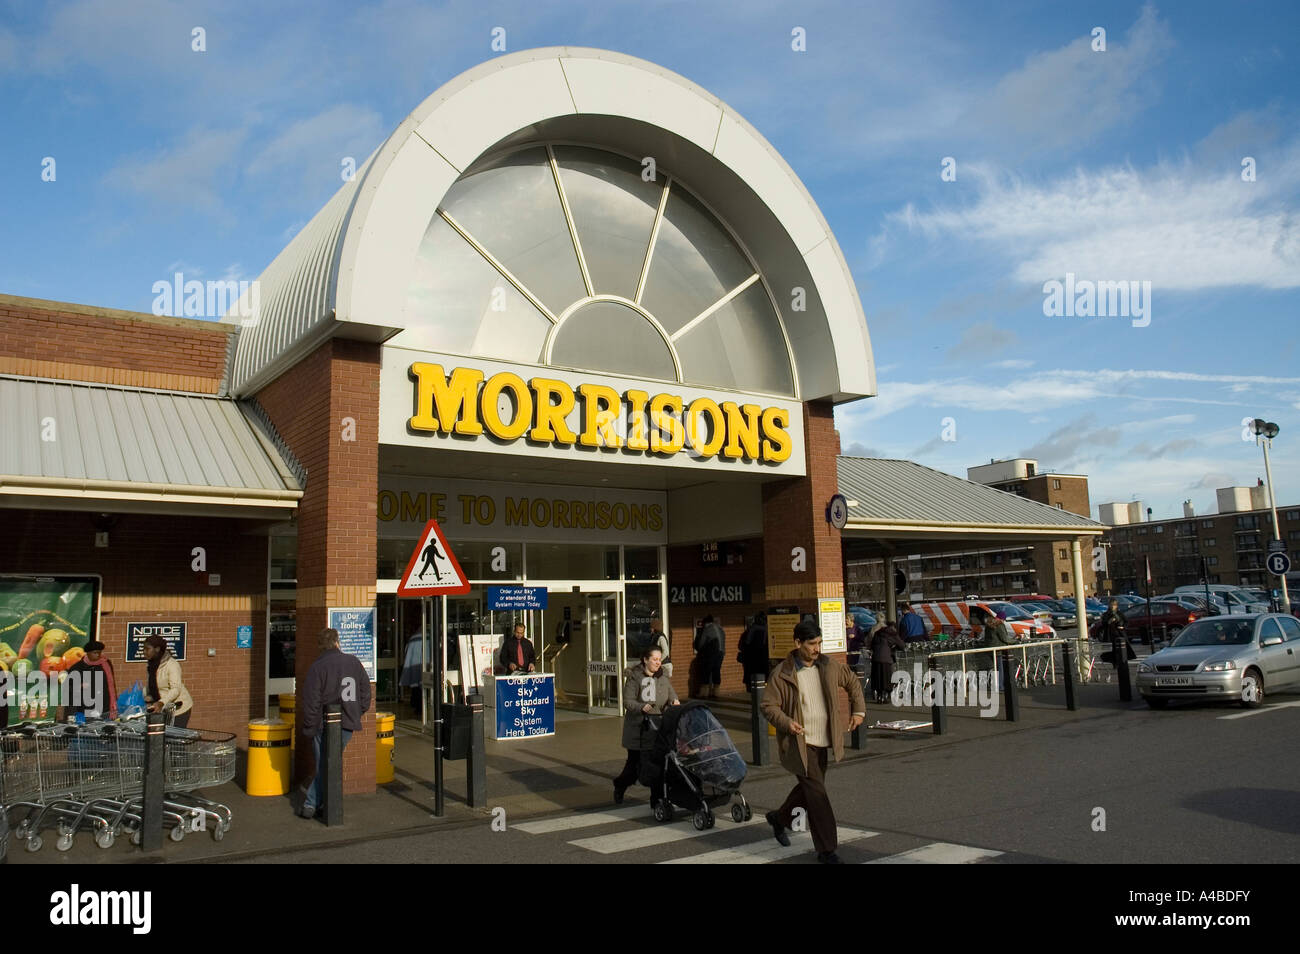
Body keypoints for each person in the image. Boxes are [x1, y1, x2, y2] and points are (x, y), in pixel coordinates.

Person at [761, 619, 866, 864]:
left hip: (824, 740)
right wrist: (787, 722)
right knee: (818, 796)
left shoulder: (828, 665)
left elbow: (852, 681)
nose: (817, 649)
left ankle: (779, 818)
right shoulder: (782, 673)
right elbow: (768, 706)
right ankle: (827, 850)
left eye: (819, 643)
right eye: (811, 644)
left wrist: (858, 711)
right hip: (800, 743)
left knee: (810, 790)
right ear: (798, 643)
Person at [298, 627, 372, 819]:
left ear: (320, 646)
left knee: (325, 763)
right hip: (347, 722)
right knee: (329, 763)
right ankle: (321, 803)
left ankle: (312, 803)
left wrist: (310, 727)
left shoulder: (318, 667)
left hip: (323, 724)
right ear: (337, 642)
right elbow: (366, 691)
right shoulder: (353, 662)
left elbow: (311, 701)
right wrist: (357, 711)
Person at [612, 646, 679, 804]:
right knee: (633, 766)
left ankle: (656, 800)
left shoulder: (662, 677)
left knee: (656, 765)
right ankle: (620, 785)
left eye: (659, 659)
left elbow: (672, 694)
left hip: (657, 729)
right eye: (654, 659)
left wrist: (674, 702)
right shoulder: (635, 677)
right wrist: (641, 707)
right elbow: (628, 701)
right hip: (638, 730)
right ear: (645, 660)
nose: (658, 662)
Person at [56, 640, 118, 722]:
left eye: (99, 652)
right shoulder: (78, 668)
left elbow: (111, 684)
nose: (98, 655)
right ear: (88, 653)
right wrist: (79, 686)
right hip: (85, 708)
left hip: (104, 705)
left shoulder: (105, 664)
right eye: (95, 653)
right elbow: (68, 687)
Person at [142, 634, 193, 728]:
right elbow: (153, 685)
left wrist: (161, 702)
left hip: (178, 709)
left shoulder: (172, 665)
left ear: (157, 649)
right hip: (162, 708)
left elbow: (176, 689)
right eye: (143, 649)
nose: (144, 652)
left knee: (172, 739)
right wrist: (145, 695)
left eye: (147, 649)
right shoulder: (152, 664)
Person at [869, 622, 905, 703]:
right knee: (886, 678)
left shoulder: (877, 633)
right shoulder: (892, 634)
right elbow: (902, 645)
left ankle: (879, 696)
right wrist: (894, 647)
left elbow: (871, 645)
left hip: (875, 658)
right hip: (886, 658)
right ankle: (884, 696)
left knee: (877, 677)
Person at [693, 615, 725, 698]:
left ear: (706, 622)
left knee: (706, 672)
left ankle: (704, 693)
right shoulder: (720, 628)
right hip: (721, 653)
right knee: (716, 671)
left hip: (711, 654)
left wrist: (699, 649)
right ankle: (716, 692)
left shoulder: (707, 629)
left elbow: (701, 644)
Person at [738, 611, 769, 691]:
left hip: (750, 661)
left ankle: (752, 696)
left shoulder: (748, 632)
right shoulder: (768, 631)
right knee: (764, 679)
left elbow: (741, 646)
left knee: (750, 680)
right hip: (764, 660)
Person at [399, 628, 423, 717]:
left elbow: (406, 651)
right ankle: (420, 708)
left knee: (416, 688)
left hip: (414, 666)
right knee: (421, 689)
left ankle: (417, 707)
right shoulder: (427, 637)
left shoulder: (413, 638)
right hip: (422, 666)